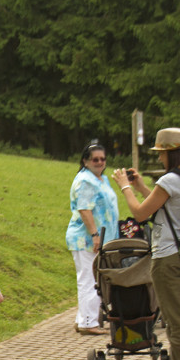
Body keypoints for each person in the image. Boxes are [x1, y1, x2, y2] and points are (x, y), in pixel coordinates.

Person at [111, 127, 180, 360]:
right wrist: (141, 186)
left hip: (168, 257)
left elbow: (141, 214)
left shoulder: (171, 179)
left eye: (161, 153)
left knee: (176, 320)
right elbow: (165, 205)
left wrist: (126, 187)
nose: (160, 158)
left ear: (168, 153)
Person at [65, 142, 120, 335]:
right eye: (95, 159)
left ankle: (83, 319)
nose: (99, 162)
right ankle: (89, 323)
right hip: (86, 239)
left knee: (92, 278)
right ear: (85, 161)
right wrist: (95, 234)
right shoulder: (86, 180)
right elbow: (84, 208)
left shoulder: (101, 179)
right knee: (90, 280)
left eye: (102, 159)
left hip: (102, 238)